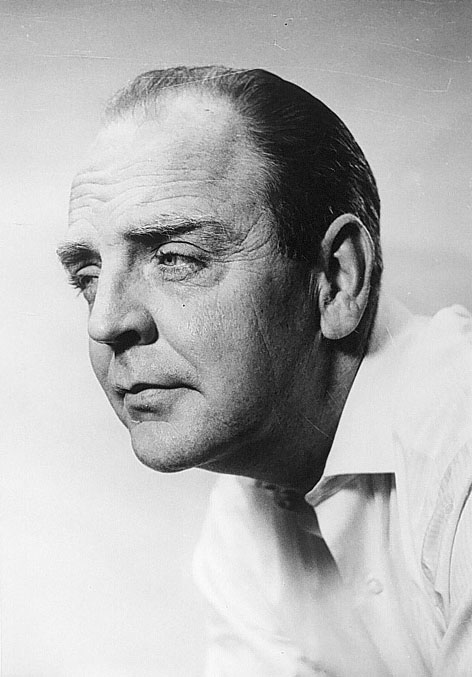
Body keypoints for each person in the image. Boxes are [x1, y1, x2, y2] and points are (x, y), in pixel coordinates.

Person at [57, 66, 472, 676]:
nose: (105, 322)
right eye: (88, 278)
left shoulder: (460, 444)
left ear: (337, 280)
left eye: (175, 258)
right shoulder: (244, 511)